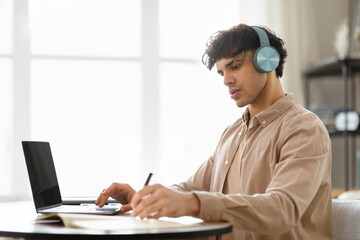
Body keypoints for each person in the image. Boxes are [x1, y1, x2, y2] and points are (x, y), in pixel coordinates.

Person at [96, 23, 332, 240]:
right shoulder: (233, 133)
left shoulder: (304, 130)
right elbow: (192, 188)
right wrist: (146, 199)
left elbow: (283, 209)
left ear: (267, 61)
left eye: (235, 66)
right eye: (221, 73)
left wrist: (193, 204)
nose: (226, 80)